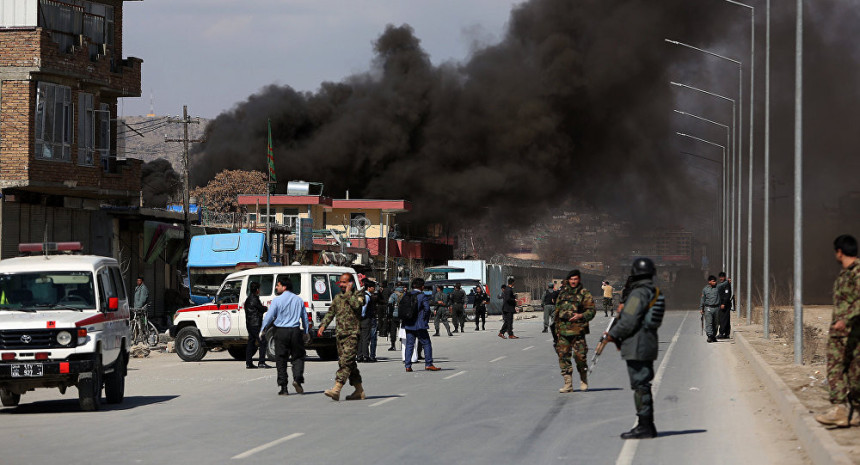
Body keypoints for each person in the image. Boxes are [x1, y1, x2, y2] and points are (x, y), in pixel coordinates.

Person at [605, 257, 664, 439]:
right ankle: (648, 425)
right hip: (648, 341)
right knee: (643, 384)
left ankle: (644, 425)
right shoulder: (655, 292)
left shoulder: (638, 294)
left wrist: (613, 334)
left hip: (637, 343)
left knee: (640, 385)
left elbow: (629, 320)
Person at [815, 234, 860, 427]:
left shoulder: (857, 273)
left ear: (839, 252)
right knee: (844, 371)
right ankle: (846, 410)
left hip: (852, 331)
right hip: (842, 333)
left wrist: (845, 320)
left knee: (848, 371)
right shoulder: (846, 273)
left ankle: (846, 410)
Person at [317, 273, 367, 401]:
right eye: (341, 282)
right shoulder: (338, 297)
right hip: (340, 335)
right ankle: (359, 390)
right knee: (349, 363)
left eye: (345, 282)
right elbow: (331, 312)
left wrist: (349, 293)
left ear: (351, 283)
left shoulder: (359, 295)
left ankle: (336, 389)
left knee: (345, 362)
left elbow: (357, 306)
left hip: (352, 334)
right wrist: (323, 326)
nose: (342, 285)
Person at [260, 276, 307, 395]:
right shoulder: (299, 300)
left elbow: (269, 316)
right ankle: (297, 379)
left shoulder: (277, 300)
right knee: (298, 356)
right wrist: (306, 331)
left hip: (281, 332)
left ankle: (284, 387)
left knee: (281, 359)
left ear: (284, 287)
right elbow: (304, 317)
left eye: (278, 285)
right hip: (295, 331)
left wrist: (263, 329)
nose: (276, 287)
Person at [553, 270, 595, 393]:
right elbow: (557, 312)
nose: (573, 281)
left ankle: (583, 378)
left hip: (578, 332)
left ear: (579, 280)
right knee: (563, 357)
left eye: (575, 279)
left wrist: (581, 316)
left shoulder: (584, 293)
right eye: (571, 279)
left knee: (580, 357)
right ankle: (568, 384)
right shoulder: (562, 293)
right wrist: (556, 330)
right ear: (568, 280)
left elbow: (591, 311)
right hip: (563, 332)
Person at [402, 278, 441, 372]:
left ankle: (408, 365)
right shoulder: (422, 296)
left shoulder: (406, 295)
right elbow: (427, 309)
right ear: (422, 286)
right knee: (426, 343)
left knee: (409, 344)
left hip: (408, 324)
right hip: (419, 324)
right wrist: (425, 320)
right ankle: (428, 364)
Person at [243, 282, 271, 369]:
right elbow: (261, 309)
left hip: (249, 324)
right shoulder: (255, 299)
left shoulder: (248, 299)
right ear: (257, 290)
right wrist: (266, 308)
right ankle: (261, 362)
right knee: (263, 342)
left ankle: (249, 362)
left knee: (251, 342)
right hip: (256, 324)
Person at [358, 279, 377, 363]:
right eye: (373, 287)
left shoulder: (361, 295)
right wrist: (362, 316)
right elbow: (363, 308)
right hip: (365, 319)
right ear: (369, 288)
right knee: (365, 338)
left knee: (360, 338)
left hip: (359, 320)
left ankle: (359, 356)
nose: (374, 289)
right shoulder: (367, 296)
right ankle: (365, 356)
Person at [700, 275, 720, 343]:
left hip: (716, 308)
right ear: (709, 282)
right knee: (709, 323)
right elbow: (702, 299)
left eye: (715, 281)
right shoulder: (705, 289)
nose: (715, 282)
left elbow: (723, 285)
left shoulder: (718, 288)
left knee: (716, 323)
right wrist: (701, 308)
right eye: (713, 281)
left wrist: (728, 282)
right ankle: (709, 336)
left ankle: (713, 336)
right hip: (708, 308)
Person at [387, 283, 405, 351]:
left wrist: (389, 314)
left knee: (393, 331)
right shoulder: (404, 294)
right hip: (402, 315)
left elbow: (390, 304)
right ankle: (402, 344)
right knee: (402, 330)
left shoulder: (393, 295)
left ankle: (393, 345)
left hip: (394, 315)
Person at [716, 272, 732, 339]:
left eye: (722, 277)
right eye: (720, 277)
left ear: (724, 277)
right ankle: (726, 334)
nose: (721, 278)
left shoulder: (726, 285)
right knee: (726, 319)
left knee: (723, 320)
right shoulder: (722, 284)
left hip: (725, 305)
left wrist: (723, 304)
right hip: (722, 304)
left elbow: (727, 295)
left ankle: (722, 333)